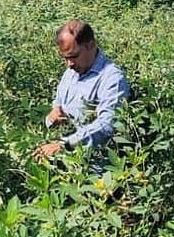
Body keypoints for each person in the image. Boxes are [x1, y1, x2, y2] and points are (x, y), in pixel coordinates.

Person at [33, 20, 131, 162]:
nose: (69, 64)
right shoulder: (71, 72)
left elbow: (107, 124)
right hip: (65, 159)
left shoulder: (112, 78)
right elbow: (58, 106)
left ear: (90, 45)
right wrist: (52, 117)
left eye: (73, 56)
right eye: (65, 58)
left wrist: (66, 144)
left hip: (95, 166)